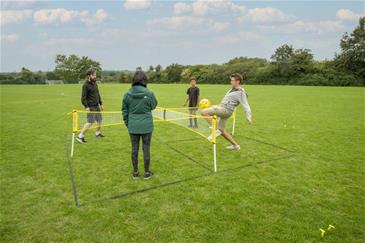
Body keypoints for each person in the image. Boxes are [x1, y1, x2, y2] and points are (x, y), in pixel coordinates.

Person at [201, 73, 252, 150]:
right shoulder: (232, 89)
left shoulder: (241, 92)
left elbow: (246, 105)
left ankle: (216, 130)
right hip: (223, 109)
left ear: (238, 81)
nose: (230, 82)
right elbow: (227, 100)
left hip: (226, 110)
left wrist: (248, 116)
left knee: (204, 112)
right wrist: (217, 106)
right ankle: (236, 146)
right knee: (222, 131)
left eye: (232, 80)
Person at [122, 71, 158, 180]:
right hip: (146, 126)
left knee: (134, 149)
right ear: (144, 80)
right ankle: (147, 173)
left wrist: (128, 123)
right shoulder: (149, 93)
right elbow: (153, 105)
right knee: (146, 149)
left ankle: (135, 173)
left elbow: (124, 111)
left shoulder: (127, 94)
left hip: (133, 125)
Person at [76, 69, 104, 144]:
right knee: (90, 122)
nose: (95, 76)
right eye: (93, 75)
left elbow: (98, 94)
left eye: (95, 75)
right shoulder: (85, 85)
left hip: (97, 105)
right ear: (89, 76)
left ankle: (97, 133)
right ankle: (80, 136)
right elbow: (83, 98)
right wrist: (86, 107)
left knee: (99, 120)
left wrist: (101, 104)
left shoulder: (95, 83)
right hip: (91, 106)